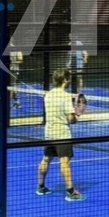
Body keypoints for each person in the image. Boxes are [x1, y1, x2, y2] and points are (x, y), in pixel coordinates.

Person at [36, 70, 84, 202]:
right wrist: (78, 114)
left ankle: (41, 187)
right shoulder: (65, 96)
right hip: (62, 133)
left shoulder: (48, 95)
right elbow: (70, 119)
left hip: (49, 133)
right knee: (64, 162)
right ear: (65, 80)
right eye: (68, 78)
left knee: (46, 159)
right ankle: (70, 192)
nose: (69, 81)